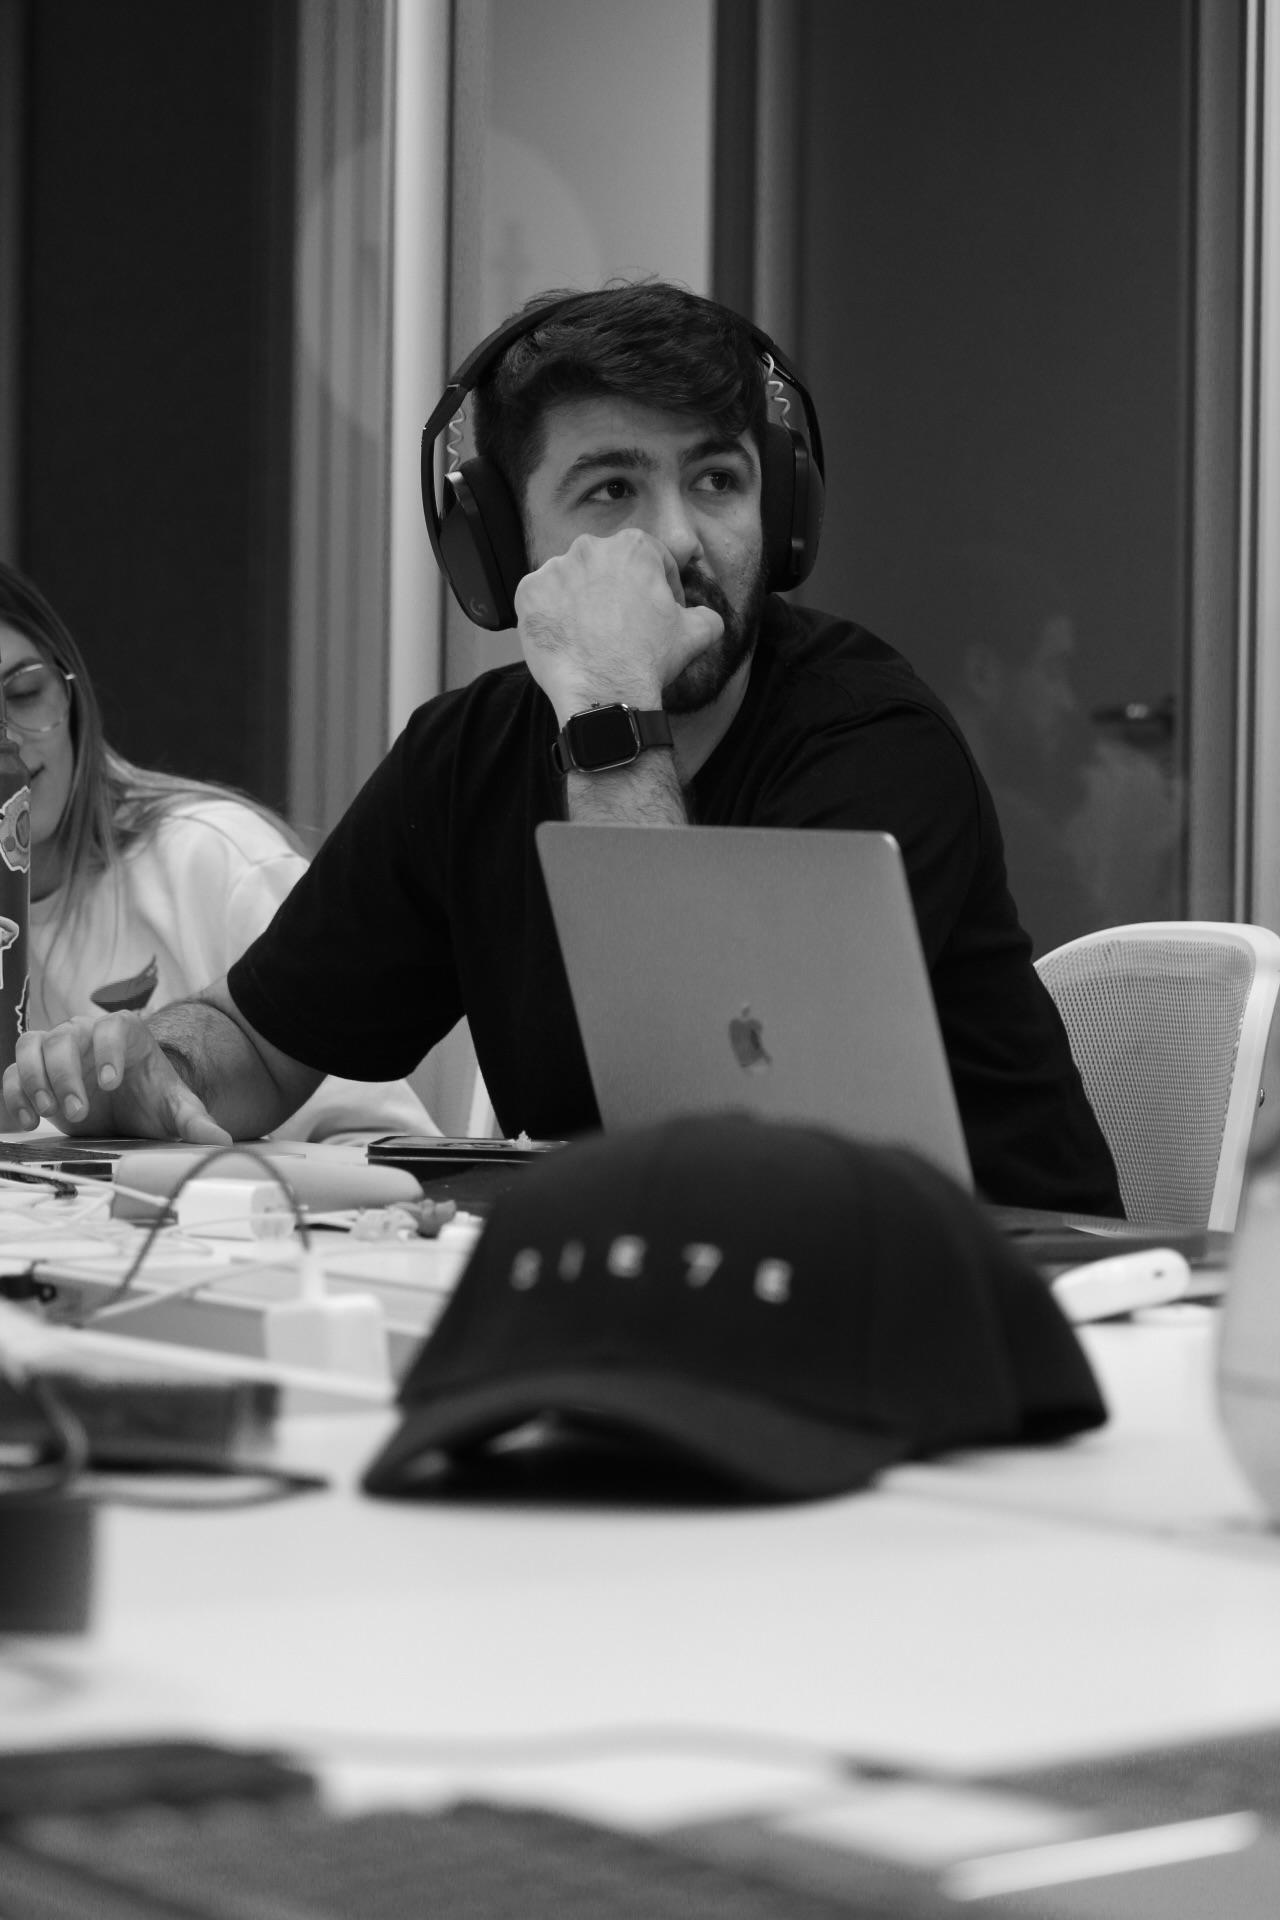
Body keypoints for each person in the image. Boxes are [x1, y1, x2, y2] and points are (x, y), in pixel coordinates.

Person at [0, 284, 1121, 1214]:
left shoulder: (872, 742)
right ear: (501, 545)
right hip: (688, 1300)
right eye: (611, 491)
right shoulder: (467, 755)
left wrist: (609, 706)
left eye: (718, 481)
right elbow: (257, 1044)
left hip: (1009, 1305)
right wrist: (150, 1065)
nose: (676, 539)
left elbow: (710, 1114)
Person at [0, 561, 434, 1142]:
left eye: (25, 693)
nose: (7, 738)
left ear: (72, 694)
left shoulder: (214, 860)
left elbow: (379, 1141)